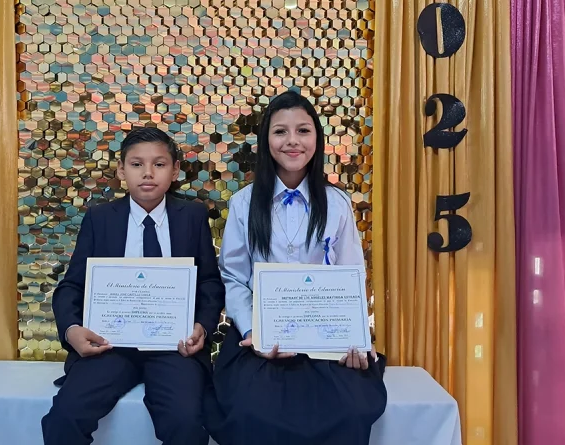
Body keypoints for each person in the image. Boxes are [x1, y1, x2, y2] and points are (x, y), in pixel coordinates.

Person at [205, 90, 388, 445]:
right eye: (280, 132)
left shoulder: (337, 203)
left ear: (317, 139)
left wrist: (353, 338)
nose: (292, 141)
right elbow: (233, 276)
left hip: (324, 339)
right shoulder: (244, 203)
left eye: (303, 131)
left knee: (350, 409)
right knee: (249, 411)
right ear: (266, 140)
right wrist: (252, 331)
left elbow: (351, 274)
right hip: (261, 338)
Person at [41, 127, 225, 445]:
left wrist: (202, 327)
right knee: (65, 416)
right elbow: (71, 286)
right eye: (137, 164)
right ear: (121, 170)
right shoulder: (100, 218)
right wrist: (72, 330)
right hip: (109, 345)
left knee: (185, 422)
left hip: (175, 347)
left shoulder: (192, 216)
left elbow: (209, 281)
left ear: (175, 170)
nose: (148, 173)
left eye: (159, 163)